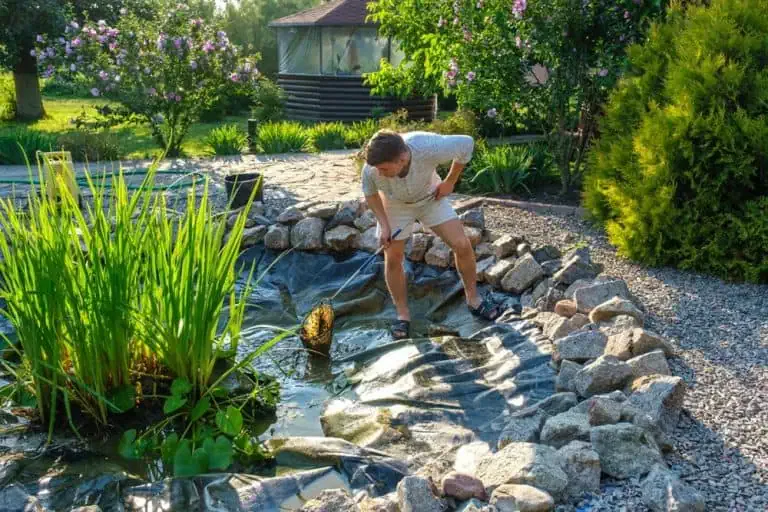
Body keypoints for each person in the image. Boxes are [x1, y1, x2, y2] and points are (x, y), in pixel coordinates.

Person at [361, 129, 502, 340]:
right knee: (393, 258)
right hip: (395, 205)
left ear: (402, 159)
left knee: (461, 244)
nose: (379, 173)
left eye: (384, 169)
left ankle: (474, 300)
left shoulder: (427, 146)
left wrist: (450, 181)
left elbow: (467, 143)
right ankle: (402, 315)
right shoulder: (371, 169)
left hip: (430, 199)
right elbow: (370, 195)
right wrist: (384, 224)